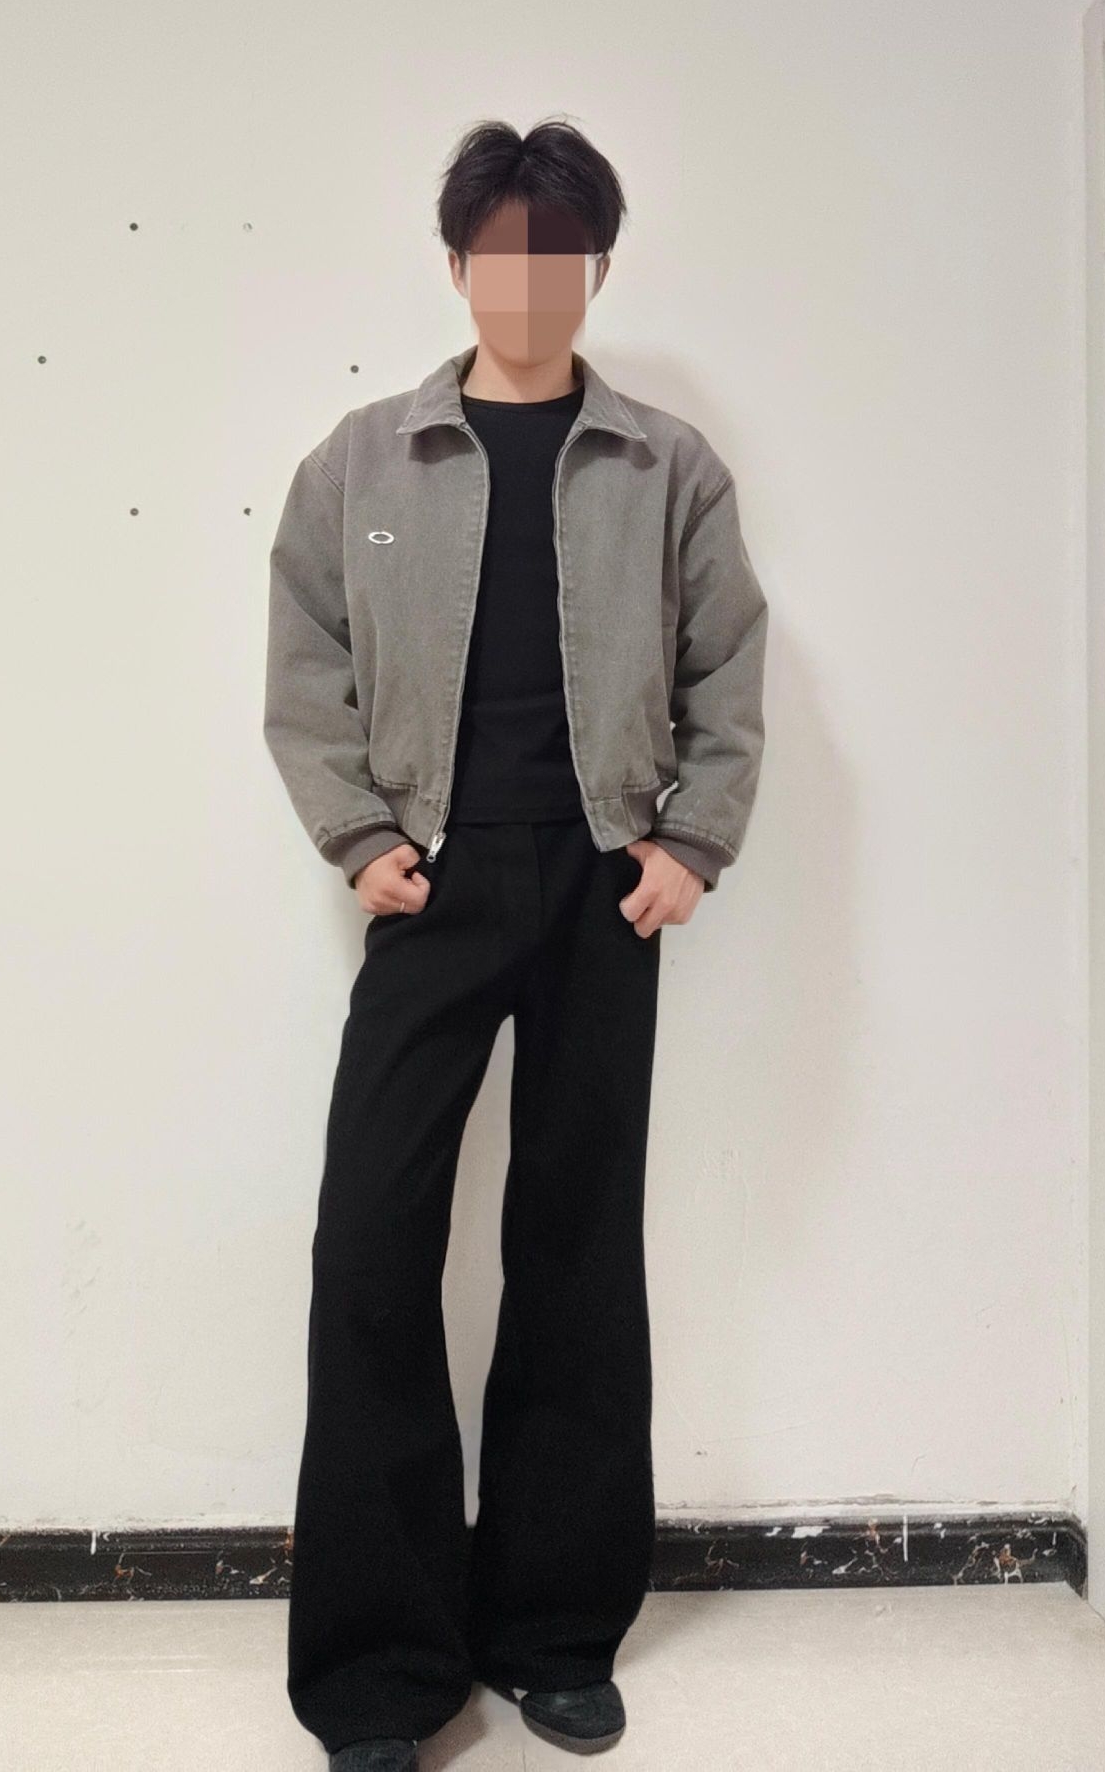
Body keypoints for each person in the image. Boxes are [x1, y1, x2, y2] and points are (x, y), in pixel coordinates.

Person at [263, 117, 769, 1770]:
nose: (529, 284)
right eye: (501, 254)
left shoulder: (666, 466)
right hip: (429, 881)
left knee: (573, 1249)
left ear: (597, 270)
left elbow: (729, 662)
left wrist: (692, 840)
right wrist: (359, 836)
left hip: (603, 886)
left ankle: (552, 1633)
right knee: (371, 1248)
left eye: (561, 255)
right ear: (456, 264)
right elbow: (305, 663)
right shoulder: (363, 461)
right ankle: (380, 1673)